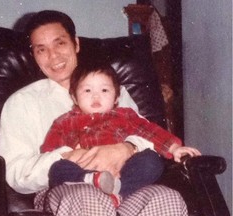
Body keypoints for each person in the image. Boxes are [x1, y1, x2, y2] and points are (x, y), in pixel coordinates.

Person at [0, 10, 201, 215]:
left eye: (60, 43)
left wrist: (127, 148)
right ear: (33, 55)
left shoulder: (113, 90)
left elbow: (144, 131)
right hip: (66, 188)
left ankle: (116, 193)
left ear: (76, 44)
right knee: (87, 199)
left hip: (123, 186)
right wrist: (70, 156)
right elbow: (17, 175)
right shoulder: (22, 102)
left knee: (167, 199)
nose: (53, 56)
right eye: (41, 49)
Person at [41, 61, 188, 205]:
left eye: (104, 90)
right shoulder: (64, 122)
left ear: (117, 97)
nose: (96, 96)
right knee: (57, 168)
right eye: (87, 90)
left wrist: (174, 148)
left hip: (121, 173)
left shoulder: (125, 116)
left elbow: (150, 132)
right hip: (83, 172)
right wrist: (70, 154)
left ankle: (119, 194)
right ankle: (91, 179)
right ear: (74, 97)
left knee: (151, 159)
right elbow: (49, 152)